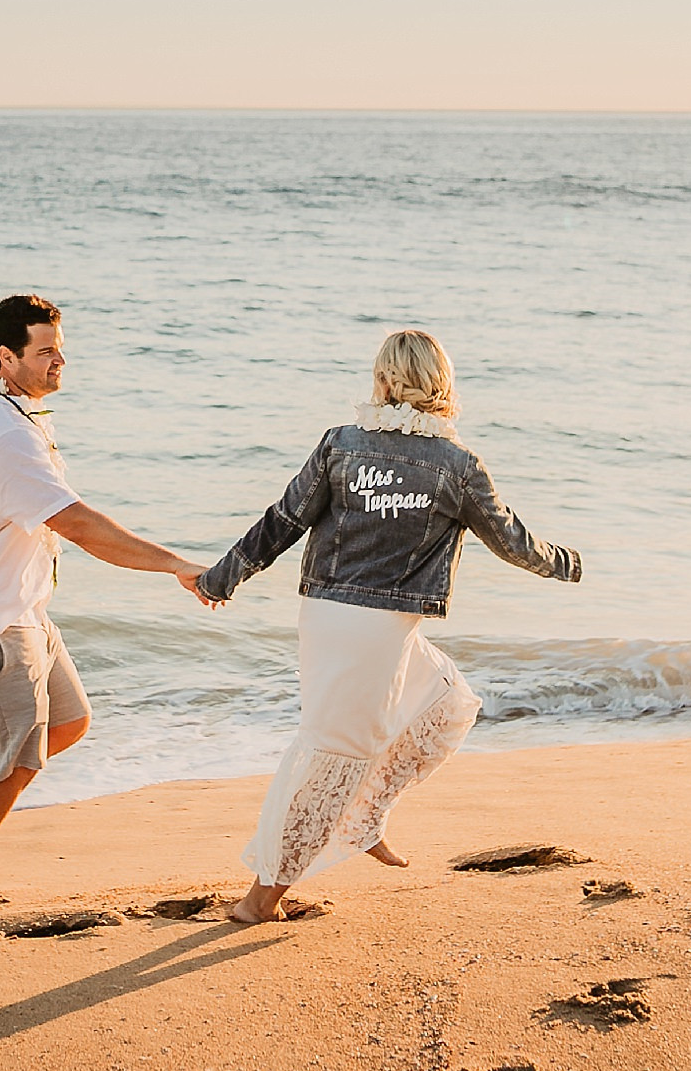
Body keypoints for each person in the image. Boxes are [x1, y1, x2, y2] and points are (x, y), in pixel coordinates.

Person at [196, 329, 582, 924]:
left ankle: (364, 817)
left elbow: (283, 520)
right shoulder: (455, 463)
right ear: (441, 385)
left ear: (382, 381)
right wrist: (564, 562)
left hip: (340, 617)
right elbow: (510, 541)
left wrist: (225, 576)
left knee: (449, 702)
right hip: (369, 629)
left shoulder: (342, 444)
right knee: (334, 756)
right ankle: (260, 900)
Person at [0, 292, 209, 912]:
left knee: (68, 723)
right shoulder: (3, 437)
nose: (59, 363)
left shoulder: (12, 413)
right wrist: (174, 564)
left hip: (22, 609)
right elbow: (80, 525)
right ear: (6, 357)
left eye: (60, 350)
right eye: (45, 352)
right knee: (16, 755)